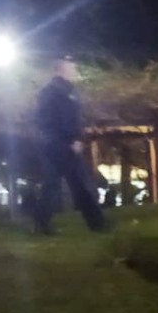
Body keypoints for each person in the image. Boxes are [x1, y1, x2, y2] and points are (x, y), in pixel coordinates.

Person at [33, 56, 107, 234]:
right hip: (60, 145)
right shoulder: (55, 93)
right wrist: (72, 140)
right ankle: (97, 224)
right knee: (79, 185)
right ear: (60, 70)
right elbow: (56, 121)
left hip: (58, 144)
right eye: (71, 68)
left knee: (59, 186)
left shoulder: (65, 91)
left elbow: (70, 120)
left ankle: (42, 224)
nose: (74, 72)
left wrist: (76, 138)